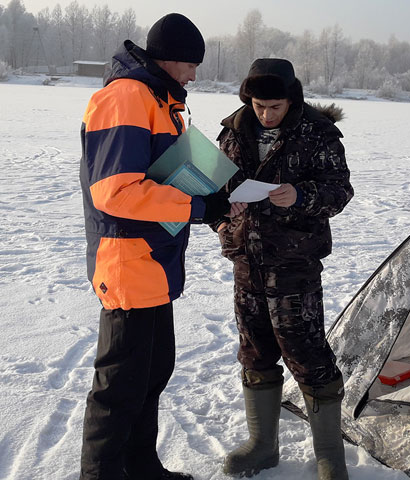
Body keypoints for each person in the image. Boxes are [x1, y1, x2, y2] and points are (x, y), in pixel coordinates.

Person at [78, 13, 229, 480]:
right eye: (190, 64)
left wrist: (210, 192)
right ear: (169, 58)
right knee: (119, 386)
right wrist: (198, 207)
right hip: (128, 263)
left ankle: (141, 467)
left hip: (155, 264)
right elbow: (116, 191)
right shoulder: (125, 98)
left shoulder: (158, 100)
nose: (194, 75)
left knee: (151, 374)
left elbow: (159, 176)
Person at [214, 58, 354, 480]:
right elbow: (214, 188)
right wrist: (220, 219)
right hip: (246, 263)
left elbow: (339, 189)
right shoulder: (233, 131)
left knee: (308, 356)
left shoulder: (317, 132)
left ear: (291, 99)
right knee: (254, 353)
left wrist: (301, 195)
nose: (266, 113)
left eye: (274, 106)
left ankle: (330, 454)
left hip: (294, 264)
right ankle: (262, 446)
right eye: (259, 105)